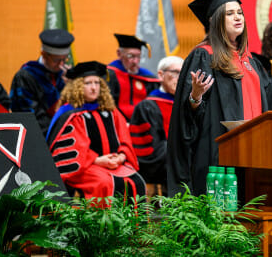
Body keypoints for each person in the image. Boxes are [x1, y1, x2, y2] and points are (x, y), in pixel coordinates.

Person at [166, 0, 272, 197]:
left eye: (239, 12)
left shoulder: (249, 60)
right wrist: (195, 96)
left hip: (252, 151)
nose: (238, 17)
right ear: (215, 21)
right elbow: (187, 116)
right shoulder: (204, 55)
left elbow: (258, 103)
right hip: (220, 154)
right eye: (230, 13)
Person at [46, 61, 146, 200]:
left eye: (97, 83)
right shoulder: (71, 114)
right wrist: (98, 160)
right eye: (88, 83)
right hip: (86, 167)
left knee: (136, 181)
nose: (94, 88)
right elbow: (76, 149)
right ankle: (100, 222)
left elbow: (125, 139)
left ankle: (133, 223)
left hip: (114, 163)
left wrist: (121, 156)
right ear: (78, 86)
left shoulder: (111, 112)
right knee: (105, 183)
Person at [129, 55, 184, 195]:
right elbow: (150, 149)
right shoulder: (148, 106)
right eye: (176, 72)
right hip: (156, 163)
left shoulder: (188, 103)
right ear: (160, 75)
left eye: (183, 73)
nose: (180, 77)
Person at [10, 29, 74, 136]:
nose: (61, 64)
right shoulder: (26, 76)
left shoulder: (65, 75)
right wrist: (59, 132)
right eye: (56, 60)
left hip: (63, 134)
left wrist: (71, 87)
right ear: (43, 54)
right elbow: (28, 116)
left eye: (65, 59)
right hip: (36, 137)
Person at [107, 34, 160, 121]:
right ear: (119, 54)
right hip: (117, 122)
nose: (135, 61)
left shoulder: (149, 78)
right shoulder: (109, 75)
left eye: (138, 56)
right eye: (130, 56)